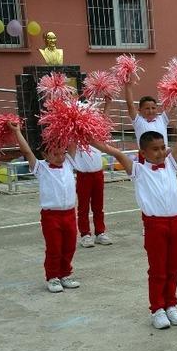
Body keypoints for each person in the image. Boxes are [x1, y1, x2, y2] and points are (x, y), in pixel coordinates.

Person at [93, 126, 177, 330]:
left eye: (162, 148)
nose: (160, 153)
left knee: (173, 267)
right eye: (155, 149)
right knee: (158, 268)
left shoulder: (170, 164)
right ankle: (157, 309)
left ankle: (171, 305)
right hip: (155, 225)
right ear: (143, 153)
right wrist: (88, 138)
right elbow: (113, 152)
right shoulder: (137, 170)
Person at [8, 121, 81, 293]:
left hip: (70, 213)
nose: (60, 157)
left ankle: (65, 274)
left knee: (69, 245)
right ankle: (53, 277)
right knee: (54, 247)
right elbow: (26, 151)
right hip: (51, 216)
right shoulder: (41, 168)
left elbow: (73, 143)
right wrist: (17, 131)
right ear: (45, 155)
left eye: (62, 153)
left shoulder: (69, 163)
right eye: (55, 154)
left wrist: (72, 123)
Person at [74, 100, 112, 248]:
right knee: (83, 207)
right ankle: (85, 234)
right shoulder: (75, 134)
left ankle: (100, 232)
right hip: (83, 175)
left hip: (98, 174)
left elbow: (104, 119)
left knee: (98, 206)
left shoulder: (97, 132)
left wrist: (108, 103)